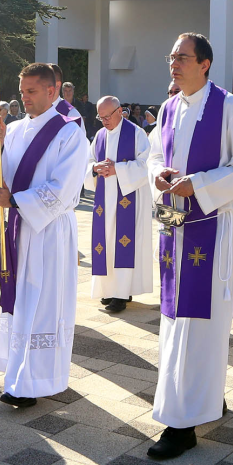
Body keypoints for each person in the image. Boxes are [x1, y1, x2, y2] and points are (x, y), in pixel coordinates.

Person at [146, 33, 233, 459]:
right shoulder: (169, 106)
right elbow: (154, 154)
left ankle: (183, 423)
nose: (174, 64)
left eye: (182, 57)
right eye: (171, 56)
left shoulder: (228, 108)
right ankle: (203, 396)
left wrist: (201, 184)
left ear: (206, 64)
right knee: (176, 318)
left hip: (211, 226)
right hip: (174, 223)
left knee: (200, 322)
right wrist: (158, 173)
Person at [0, 63, 88, 408]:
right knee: (21, 302)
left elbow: (64, 187)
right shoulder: (11, 129)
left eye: (32, 91)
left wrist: (14, 199)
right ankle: (17, 375)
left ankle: (39, 380)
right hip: (18, 228)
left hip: (49, 230)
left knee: (42, 303)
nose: (24, 98)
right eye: (22, 91)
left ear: (52, 91)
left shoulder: (69, 132)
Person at [85, 95, 153, 313]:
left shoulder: (136, 133)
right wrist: (95, 168)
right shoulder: (100, 135)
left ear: (119, 111)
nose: (104, 121)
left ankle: (122, 294)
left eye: (107, 116)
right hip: (104, 202)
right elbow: (87, 162)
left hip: (127, 201)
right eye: (100, 117)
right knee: (105, 244)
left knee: (123, 243)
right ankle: (110, 289)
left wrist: (118, 170)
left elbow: (147, 165)